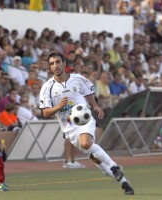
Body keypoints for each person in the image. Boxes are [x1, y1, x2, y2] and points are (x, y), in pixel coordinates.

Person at [39, 52, 134, 195]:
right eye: (52, 63)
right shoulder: (47, 88)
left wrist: (95, 106)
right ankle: (124, 182)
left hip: (85, 118)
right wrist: (59, 107)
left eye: (58, 62)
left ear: (64, 64)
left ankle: (114, 167)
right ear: (50, 67)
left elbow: (88, 93)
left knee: (85, 143)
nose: (55, 66)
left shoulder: (78, 79)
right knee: (97, 160)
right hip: (69, 128)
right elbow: (45, 113)